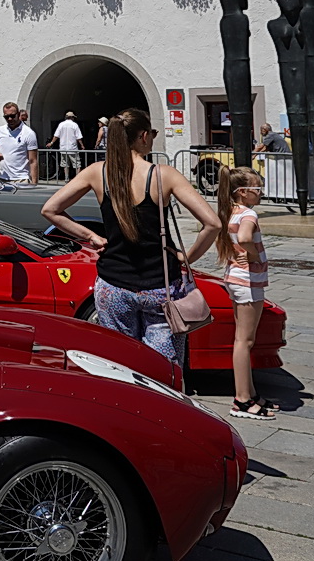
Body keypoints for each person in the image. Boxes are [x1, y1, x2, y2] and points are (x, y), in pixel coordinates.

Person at [41, 108, 219, 367]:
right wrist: (186, 257)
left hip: (113, 285)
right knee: (161, 369)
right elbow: (212, 223)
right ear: (143, 136)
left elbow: (50, 209)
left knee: (119, 365)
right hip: (160, 287)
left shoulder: (98, 172)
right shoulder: (163, 175)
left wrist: (91, 236)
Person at [216, 166, 274, 419]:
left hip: (235, 279)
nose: (260, 194)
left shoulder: (231, 211)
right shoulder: (248, 214)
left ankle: (250, 393)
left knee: (242, 339)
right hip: (248, 282)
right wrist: (251, 254)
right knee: (245, 341)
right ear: (242, 192)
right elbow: (245, 237)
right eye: (257, 189)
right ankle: (241, 400)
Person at [0, 102, 38, 184]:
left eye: (12, 116)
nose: (10, 119)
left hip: (21, 179)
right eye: (6, 117)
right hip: (2, 179)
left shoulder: (29, 133)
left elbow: (33, 161)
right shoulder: (0, 131)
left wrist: (34, 183)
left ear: (18, 114)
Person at [49, 110, 84, 180]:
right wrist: (82, 145)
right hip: (72, 148)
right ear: (72, 118)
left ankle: (66, 178)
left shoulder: (61, 124)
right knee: (77, 164)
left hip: (63, 148)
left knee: (65, 165)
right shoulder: (75, 125)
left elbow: (56, 135)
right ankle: (78, 179)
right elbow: (78, 137)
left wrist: (51, 143)